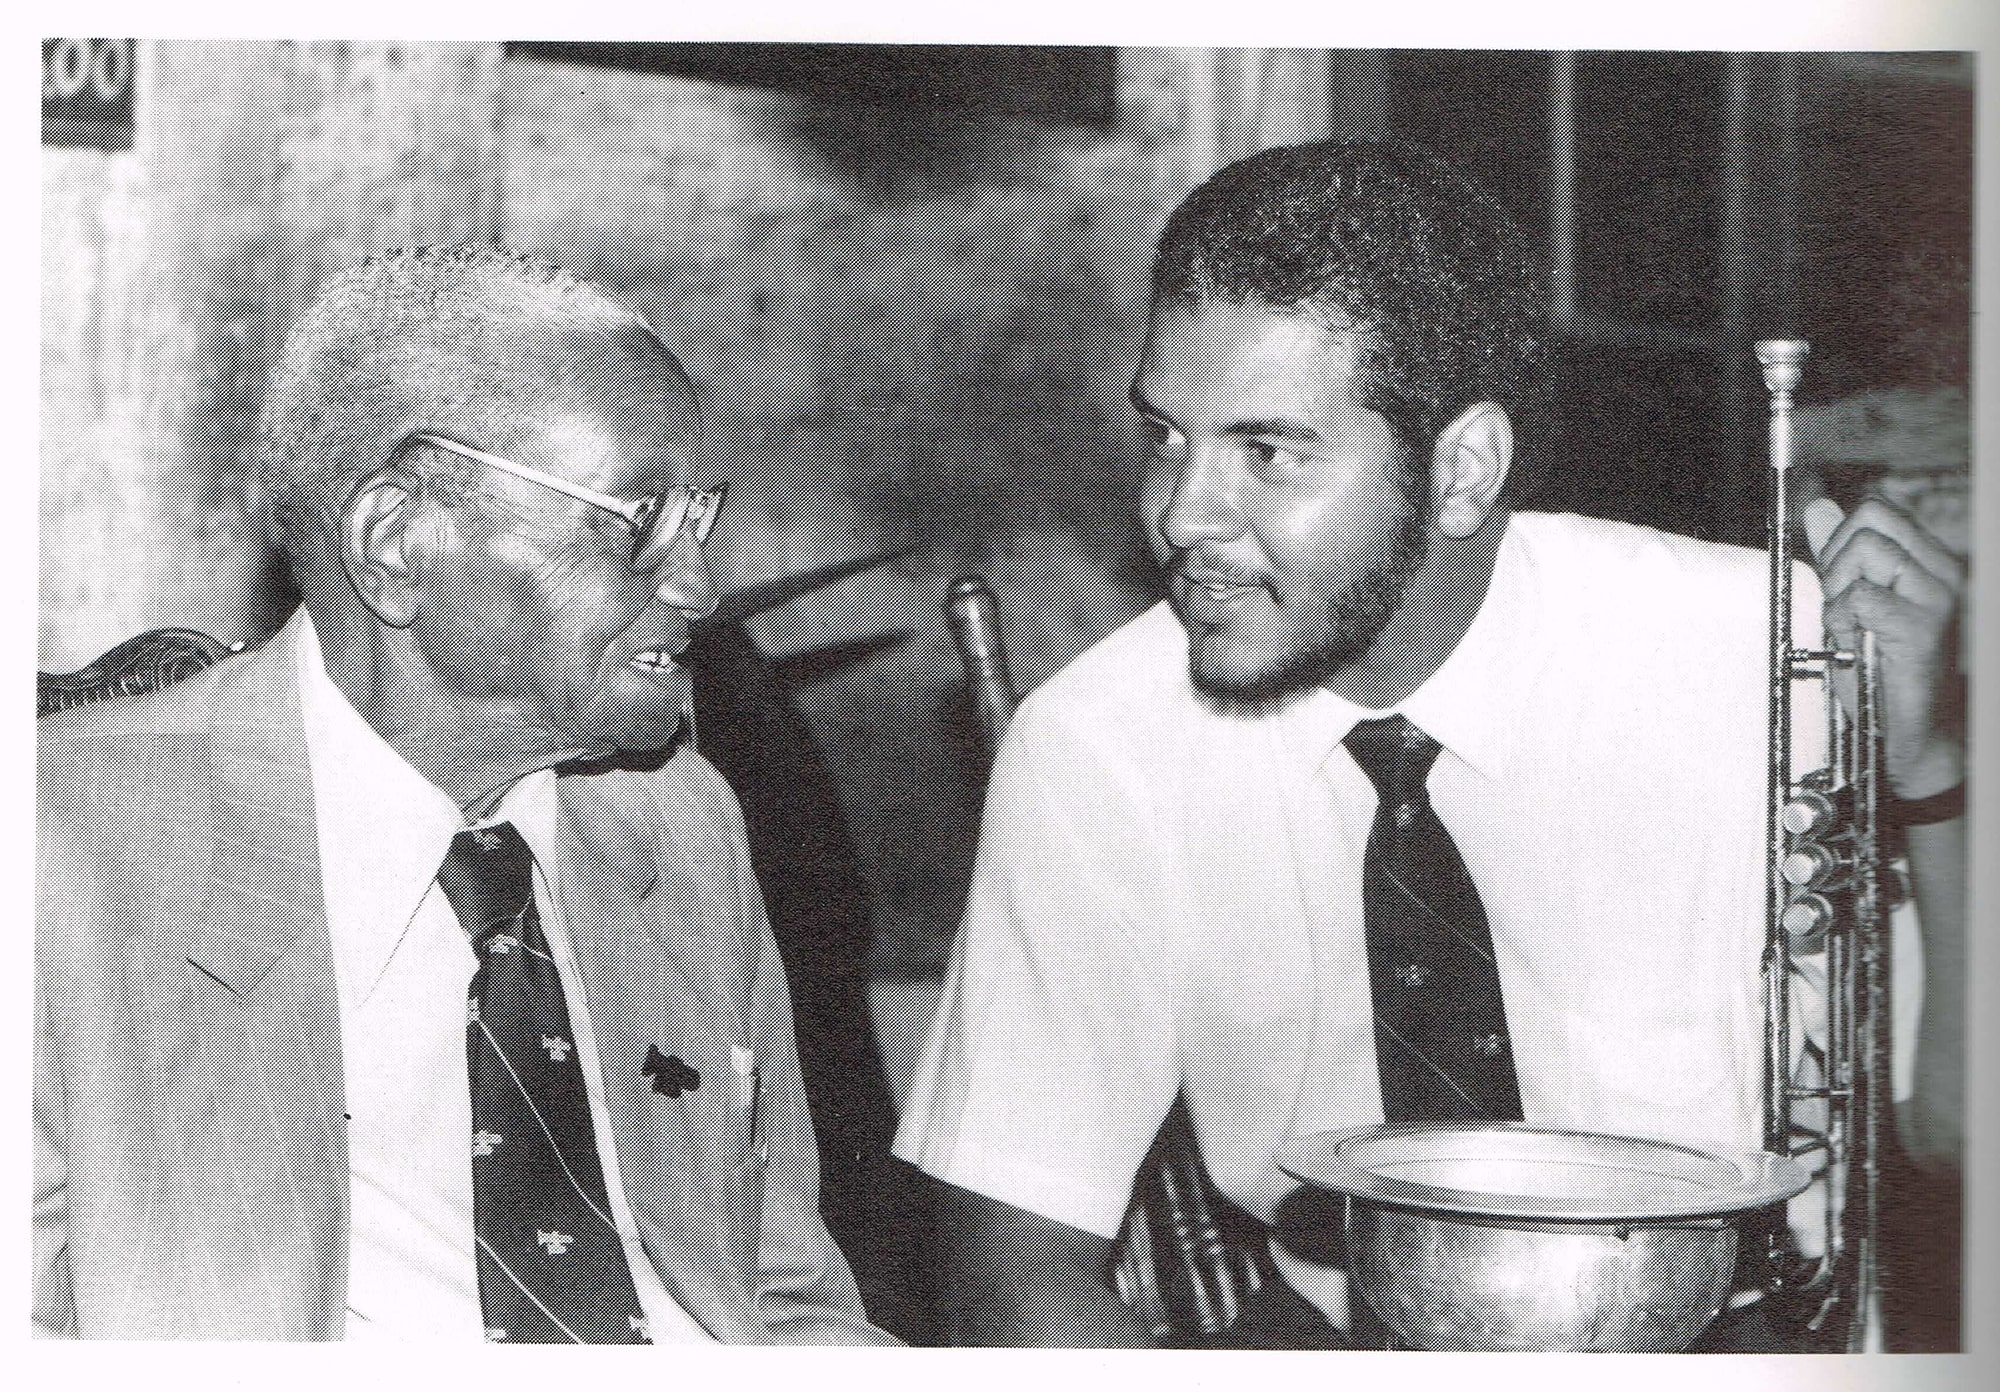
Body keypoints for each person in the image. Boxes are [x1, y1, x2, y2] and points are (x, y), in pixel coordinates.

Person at [894, 140, 1966, 1349]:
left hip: (1735, 1339)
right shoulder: (1099, 746)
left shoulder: (1757, 652)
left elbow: (1957, 1133)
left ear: (1461, 471)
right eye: (1163, 436)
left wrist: (1932, 773)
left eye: (1267, 451)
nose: (1180, 513)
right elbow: (1010, 1268)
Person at [35, 245, 898, 1345]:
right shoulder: (65, 856)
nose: (698, 588)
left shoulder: (674, 822)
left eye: (696, 521)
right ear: (396, 542)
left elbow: (781, 1302)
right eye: (637, 522)